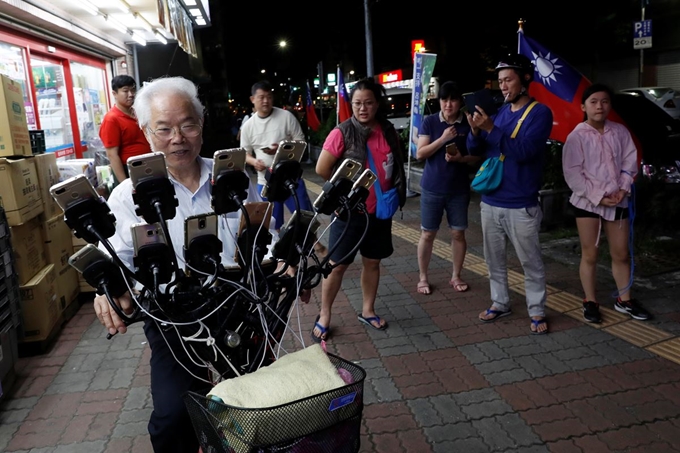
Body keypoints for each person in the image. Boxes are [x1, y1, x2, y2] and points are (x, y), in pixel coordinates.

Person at [92, 76, 279, 453]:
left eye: (187, 125)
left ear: (202, 125)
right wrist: (108, 291)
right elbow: (113, 257)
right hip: (171, 316)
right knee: (173, 416)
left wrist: (282, 263)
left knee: (262, 403)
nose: (177, 137)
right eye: (164, 128)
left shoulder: (234, 178)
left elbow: (265, 235)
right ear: (146, 132)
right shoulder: (127, 195)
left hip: (238, 306)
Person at [313, 77, 406, 342]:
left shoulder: (387, 130)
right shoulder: (342, 132)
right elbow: (321, 169)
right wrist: (342, 193)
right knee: (337, 265)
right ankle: (324, 315)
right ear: (350, 104)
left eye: (368, 103)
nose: (362, 108)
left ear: (377, 104)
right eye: (357, 103)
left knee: (372, 261)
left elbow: (393, 163)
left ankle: (367, 310)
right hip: (349, 212)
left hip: (379, 212)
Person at [466, 54, 553, 335]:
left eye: (508, 80)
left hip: (521, 204)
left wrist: (490, 129)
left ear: (525, 79)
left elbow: (525, 152)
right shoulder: (501, 112)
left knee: (530, 261)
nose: (503, 87)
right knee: (493, 259)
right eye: (500, 81)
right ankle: (500, 302)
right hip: (490, 200)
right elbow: (480, 151)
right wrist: (475, 132)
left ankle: (537, 310)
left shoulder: (540, 113)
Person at [562, 83, 650, 322]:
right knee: (590, 254)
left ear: (610, 105)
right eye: (593, 102)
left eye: (604, 101)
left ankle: (624, 299)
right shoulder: (577, 136)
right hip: (587, 203)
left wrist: (622, 189)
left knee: (621, 253)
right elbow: (573, 174)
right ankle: (590, 301)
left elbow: (630, 163)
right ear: (583, 106)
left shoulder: (620, 131)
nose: (599, 106)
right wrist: (599, 196)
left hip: (618, 200)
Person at [415, 81, 479, 295]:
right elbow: (420, 153)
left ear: (460, 102)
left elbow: (479, 156)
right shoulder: (430, 122)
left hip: (458, 189)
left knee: (458, 233)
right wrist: (443, 138)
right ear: (439, 101)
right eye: (444, 100)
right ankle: (423, 277)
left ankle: (456, 275)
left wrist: (461, 159)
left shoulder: (468, 123)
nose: (448, 105)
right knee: (427, 234)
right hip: (432, 187)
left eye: (452, 100)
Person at [240, 81, 316, 231]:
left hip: (291, 178)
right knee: (273, 224)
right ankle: (280, 253)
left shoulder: (286, 116)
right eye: (261, 97)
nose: (266, 101)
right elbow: (244, 154)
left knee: (305, 217)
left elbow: (301, 142)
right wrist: (254, 162)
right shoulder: (248, 126)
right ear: (252, 99)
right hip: (266, 181)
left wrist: (281, 148)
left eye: (269, 96)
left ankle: (316, 247)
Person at [99, 75, 151, 183]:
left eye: (133, 90)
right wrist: (125, 183)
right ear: (114, 94)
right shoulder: (111, 119)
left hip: (148, 166)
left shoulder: (137, 112)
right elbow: (112, 155)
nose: (131, 95)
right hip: (129, 170)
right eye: (125, 91)